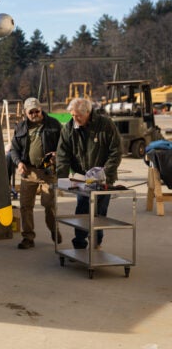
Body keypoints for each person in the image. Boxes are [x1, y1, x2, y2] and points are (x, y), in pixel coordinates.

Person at [56, 97, 122, 250]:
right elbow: (62, 154)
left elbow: (116, 152)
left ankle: (97, 243)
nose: (74, 118)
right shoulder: (69, 128)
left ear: (88, 112)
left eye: (77, 115)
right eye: (72, 115)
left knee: (100, 212)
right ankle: (79, 243)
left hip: (104, 179)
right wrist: (63, 178)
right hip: (82, 179)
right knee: (82, 209)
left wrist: (105, 173)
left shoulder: (105, 125)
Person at [8, 97, 62, 249]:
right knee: (25, 206)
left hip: (47, 171)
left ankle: (54, 231)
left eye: (36, 111)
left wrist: (57, 155)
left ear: (41, 109)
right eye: (30, 112)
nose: (34, 114)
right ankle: (28, 238)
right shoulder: (20, 127)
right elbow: (14, 149)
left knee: (49, 205)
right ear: (25, 112)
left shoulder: (53, 124)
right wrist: (18, 163)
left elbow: (64, 145)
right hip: (28, 172)